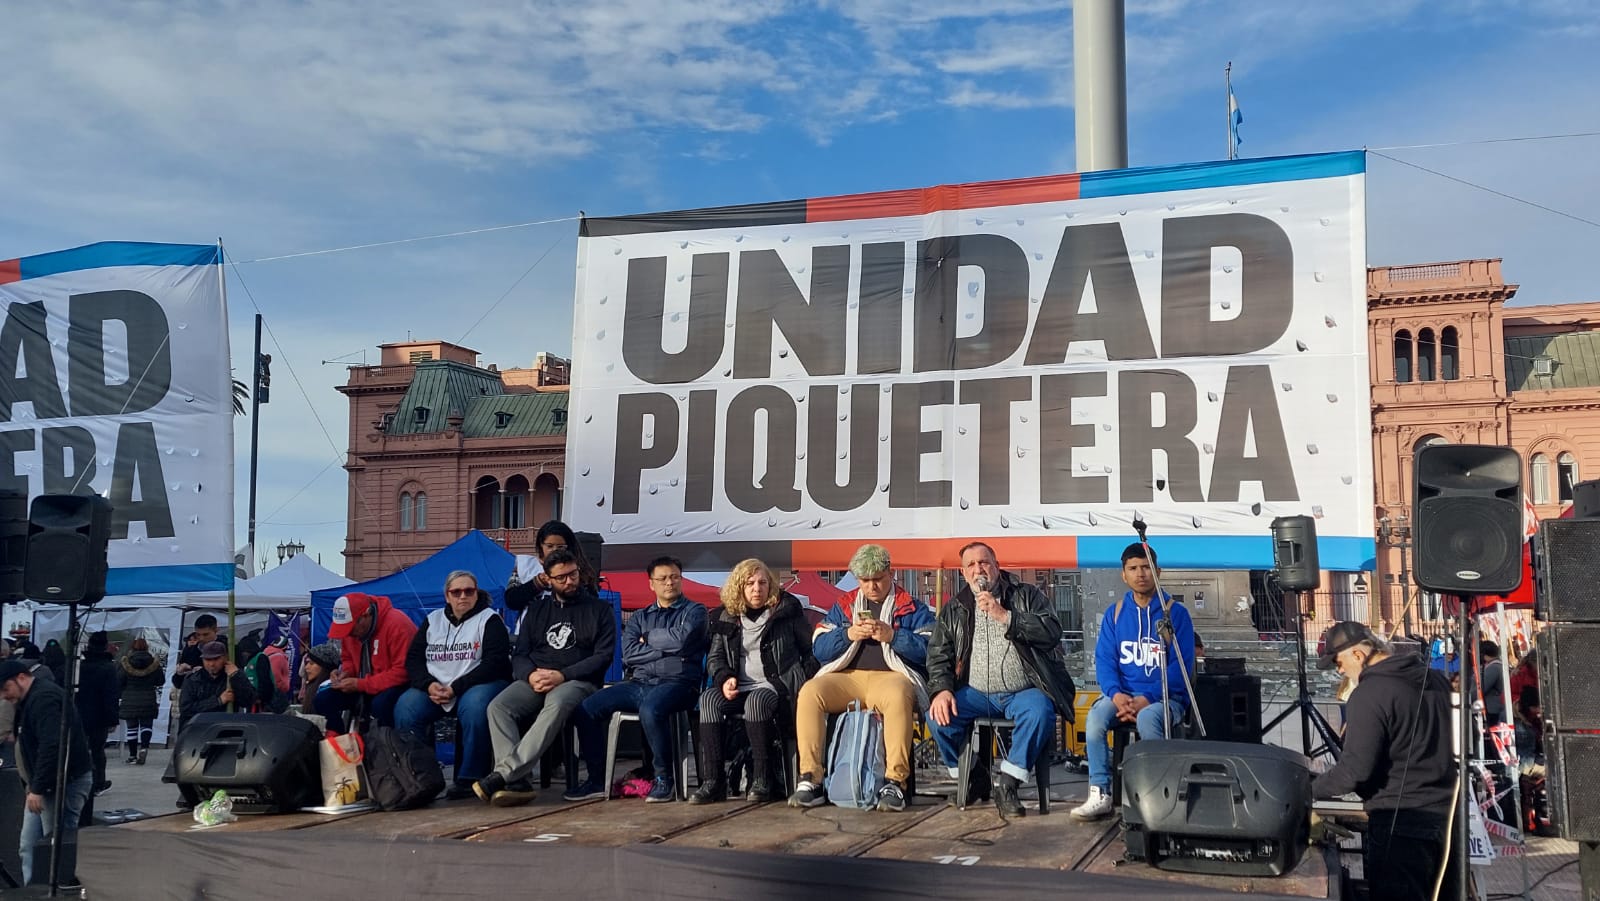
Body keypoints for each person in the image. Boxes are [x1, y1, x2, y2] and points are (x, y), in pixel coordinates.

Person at [926, 542, 1076, 817]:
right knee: (937, 717)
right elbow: (938, 654)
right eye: (971, 565)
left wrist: (1005, 616)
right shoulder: (955, 608)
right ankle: (974, 774)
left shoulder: (1026, 595)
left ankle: (1008, 782)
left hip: (1023, 689)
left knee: (1040, 711)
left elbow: (1052, 631)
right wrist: (941, 690)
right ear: (963, 572)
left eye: (983, 562)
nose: (978, 569)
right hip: (975, 693)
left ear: (996, 566)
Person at [1311, 621, 1459, 901]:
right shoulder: (1434, 678)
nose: (1339, 671)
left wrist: (1308, 790)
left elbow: (1355, 770)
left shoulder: (1368, 695)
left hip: (1401, 821)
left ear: (1358, 655)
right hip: (1448, 817)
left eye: (1338, 662)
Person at [787, 543, 933, 812]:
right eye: (865, 581)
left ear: (891, 573)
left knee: (899, 694)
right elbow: (819, 648)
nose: (871, 586)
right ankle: (811, 778)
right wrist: (848, 635)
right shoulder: (844, 605)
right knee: (810, 692)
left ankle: (895, 781)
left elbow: (930, 651)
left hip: (890, 676)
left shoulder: (912, 607)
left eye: (877, 579)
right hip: (848, 677)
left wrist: (893, 636)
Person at [474, 549, 615, 806]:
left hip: (578, 681)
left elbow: (603, 657)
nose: (569, 581)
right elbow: (520, 654)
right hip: (537, 677)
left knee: (557, 703)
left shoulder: (599, 609)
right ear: (548, 579)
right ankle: (517, 782)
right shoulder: (537, 610)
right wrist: (529, 675)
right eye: (561, 577)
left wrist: (563, 675)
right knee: (498, 706)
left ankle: (505, 773)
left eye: (572, 574)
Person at [567, 556, 708, 803]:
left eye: (675, 577)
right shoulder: (640, 616)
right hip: (639, 682)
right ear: (651, 584)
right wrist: (667, 649)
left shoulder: (695, 611)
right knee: (586, 708)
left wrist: (649, 638)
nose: (670, 583)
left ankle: (664, 779)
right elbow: (629, 653)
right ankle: (596, 779)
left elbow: (684, 641)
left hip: (679, 683)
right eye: (663, 578)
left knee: (651, 709)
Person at [1072, 542, 1195, 821]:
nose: (1140, 574)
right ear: (1123, 575)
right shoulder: (1115, 614)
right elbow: (1104, 661)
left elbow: (1182, 668)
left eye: (1146, 568)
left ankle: (1155, 794)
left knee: (1148, 719)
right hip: (1121, 697)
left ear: (1158, 572)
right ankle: (1099, 793)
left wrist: (1148, 698)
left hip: (1164, 699)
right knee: (1094, 720)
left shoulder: (1176, 614)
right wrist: (1115, 695)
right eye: (1133, 568)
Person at [692, 559, 817, 804]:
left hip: (777, 685)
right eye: (749, 583)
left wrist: (800, 678)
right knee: (708, 699)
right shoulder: (725, 616)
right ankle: (713, 781)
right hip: (738, 686)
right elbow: (715, 657)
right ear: (739, 587)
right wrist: (724, 678)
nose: (756, 589)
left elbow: (810, 651)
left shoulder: (786, 611)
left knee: (757, 701)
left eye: (762, 583)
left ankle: (762, 779)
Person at [396, 570, 512, 801]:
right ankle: (420, 775)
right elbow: (414, 660)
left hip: (478, 682)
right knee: (406, 708)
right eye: (456, 592)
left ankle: (469, 778)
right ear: (447, 595)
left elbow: (494, 662)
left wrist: (456, 687)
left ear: (477, 594)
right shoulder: (433, 620)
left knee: (475, 708)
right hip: (436, 685)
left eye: (469, 591)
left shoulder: (490, 620)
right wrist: (428, 685)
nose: (462, 596)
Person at [1, 660, 93, 885]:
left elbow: (53, 746)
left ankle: (58, 889)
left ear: (21, 678)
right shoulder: (30, 698)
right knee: (30, 845)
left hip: (63, 783)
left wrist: (38, 788)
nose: (4, 696)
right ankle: (33, 890)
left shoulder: (44, 698)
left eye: (5, 689)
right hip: (43, 784)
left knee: (54, 848)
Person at [316, 592, 418, 732]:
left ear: (365, 615)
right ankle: (340, 745)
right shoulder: (352, 632)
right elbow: (348, 658)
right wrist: (344, 673)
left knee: (381, 704)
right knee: (323, 700)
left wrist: (360, 684)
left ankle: (385, 747)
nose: (349, 634)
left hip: (397, 685)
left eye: (350, 628)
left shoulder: (398, 624)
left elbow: (402, 672)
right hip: (364, 683)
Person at [504, 521, 599, 635]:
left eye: (560, 547)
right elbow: (511, 601)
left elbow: (592, 601)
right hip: (531, 635)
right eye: (549, 546)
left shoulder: (578, 569)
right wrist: (537, 583)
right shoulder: (524, 565)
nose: (554, 550)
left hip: (567, 634)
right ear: (541, 546)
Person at [75, 632, 121, 796]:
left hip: (79, 714)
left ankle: (78, 781)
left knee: (78, 749)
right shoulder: (108, 667)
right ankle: (98, 782)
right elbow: (111, 695)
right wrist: (112, 719)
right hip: (100, 717)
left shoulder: (79, 666)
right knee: (97, 751)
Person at [176, 641, 255, 735]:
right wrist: (218, 701)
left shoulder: (232, 677)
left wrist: (236, 676)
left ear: (225, 658)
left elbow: (248, 700)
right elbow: (186, 709)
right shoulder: (193, 679)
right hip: (196, 733)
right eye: (207, 660)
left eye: (216, 659)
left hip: (226, 733)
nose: (212, 664)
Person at [118, 638, 165, 765]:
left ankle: (132, 755)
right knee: (146, 726)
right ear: (147, 648)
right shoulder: (154, 664)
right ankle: (144, 748)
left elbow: (119, 681)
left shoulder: (125, 663)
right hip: (148, 699)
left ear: (132, 648)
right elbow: (161, 681)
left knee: (131, 728)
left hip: (130, 699)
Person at [171, 615, 220, 689]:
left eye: (206, 634)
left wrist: (204, 672)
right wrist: (179, 674)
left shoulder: (227, 649)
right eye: (198, 634)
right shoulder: (189, 650)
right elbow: (178, 684)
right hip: (194, 696)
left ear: (216, 630)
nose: (201, 638)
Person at [301, 641, 342, 714]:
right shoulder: (312, 688)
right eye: (307, 663)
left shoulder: (328, 694)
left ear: (325, 667)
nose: (306, 667)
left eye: (311, 663)